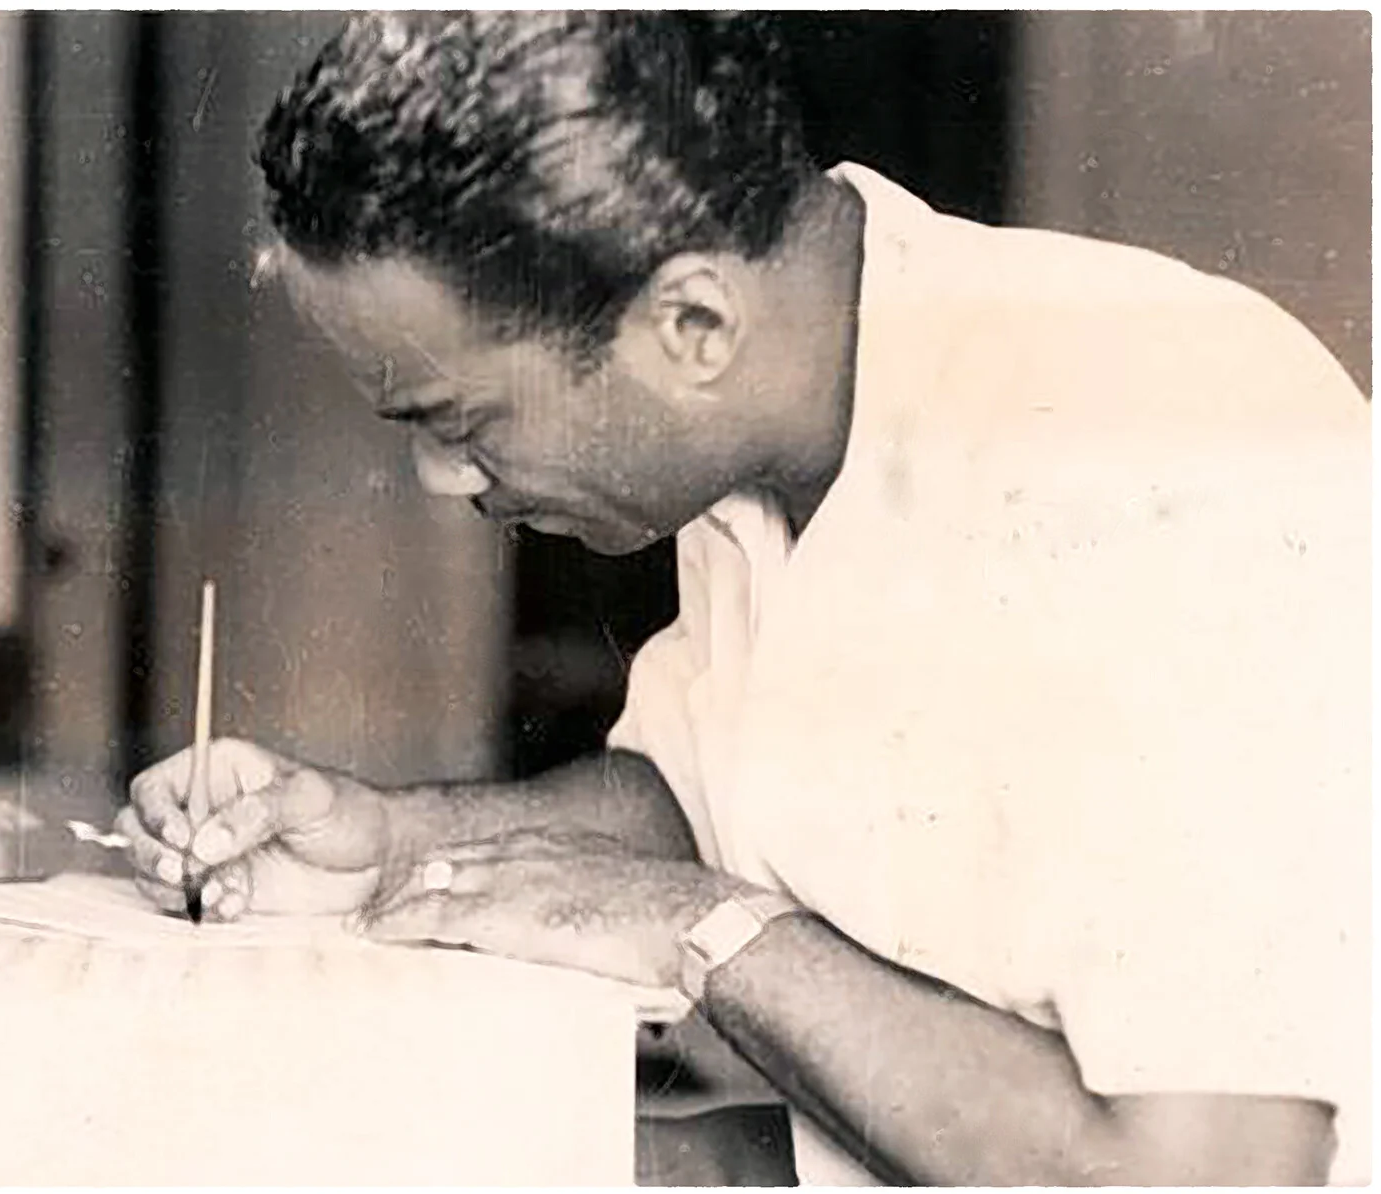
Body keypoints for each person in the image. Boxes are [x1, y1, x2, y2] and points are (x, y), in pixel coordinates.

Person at [119, 12, 1369, 1186]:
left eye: (460, 420)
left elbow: (1210, 1170)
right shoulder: (767, 430)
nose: (438, 479)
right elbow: (710, 800)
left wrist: (700, 932)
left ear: (695, 324)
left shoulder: (1162, 449)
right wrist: (395, 840)